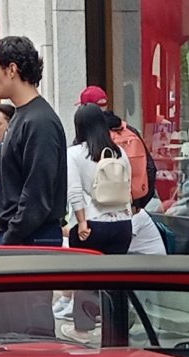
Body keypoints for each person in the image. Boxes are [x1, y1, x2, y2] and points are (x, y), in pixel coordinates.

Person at [60, 103, 134, 342]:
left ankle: (82, 329)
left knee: (85, 277)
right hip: (121, 223)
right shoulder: (119, 152)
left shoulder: (74, 153)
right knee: (116, 280)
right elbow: (128, 186)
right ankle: (116, 331)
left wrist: (80, 222)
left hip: (91, 223)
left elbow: (74, 192)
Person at [0, 36, 68, 247]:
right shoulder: (23, 116)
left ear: (12, 70)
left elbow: (37, 194)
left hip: (32, 237)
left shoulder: (39, 121)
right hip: (23, 235)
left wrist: (10, 237)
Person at [76, 86, 163, 254]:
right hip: (131, 211)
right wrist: (138, 205)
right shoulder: (129, 130)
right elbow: (151, 168)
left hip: (101, 217)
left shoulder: (89, 139)